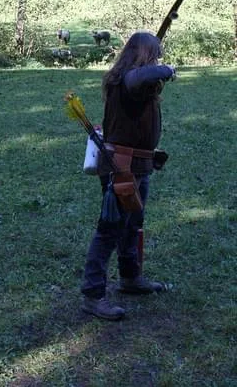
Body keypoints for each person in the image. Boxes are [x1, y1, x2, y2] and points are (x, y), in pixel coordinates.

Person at [81, 31, 175, 321]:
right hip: (122, 167)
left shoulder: (132, 81)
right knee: (109, 230)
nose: (157, 60)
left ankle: (130, 278)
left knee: (132, 224)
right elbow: (139, 77)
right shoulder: (127, 80)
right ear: (144, 56)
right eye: (154, 55)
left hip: (138, 165)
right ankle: (93, 295)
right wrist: (168, 69)